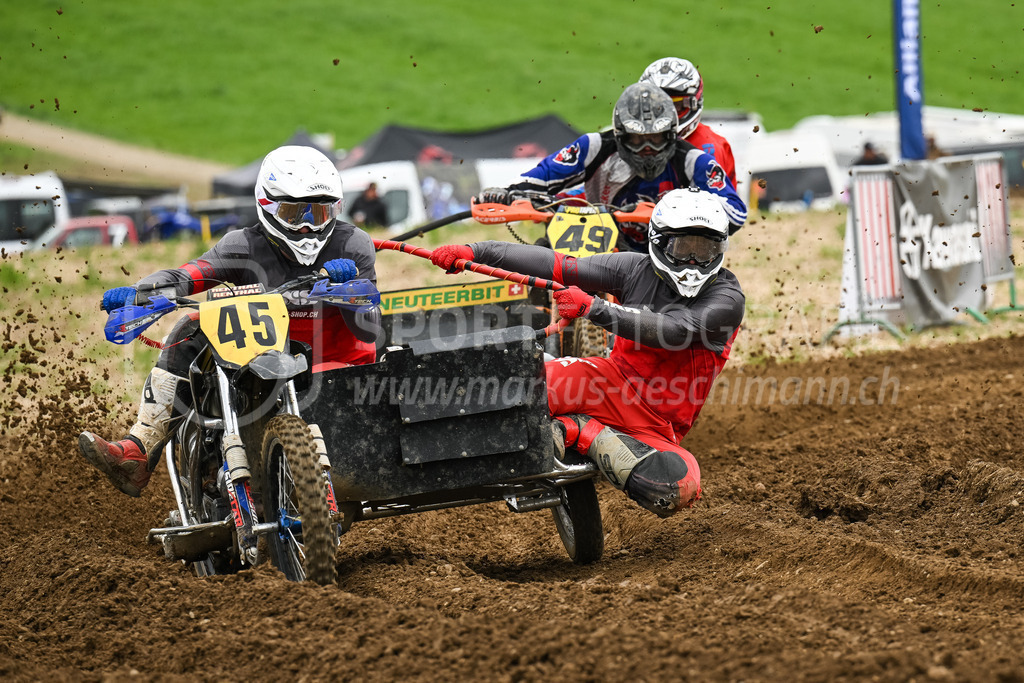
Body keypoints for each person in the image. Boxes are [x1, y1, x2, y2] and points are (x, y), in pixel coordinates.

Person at [79, 145, 382, 497]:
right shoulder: (243, 245)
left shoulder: (352, 244)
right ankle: (140, 448)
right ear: (267, 206)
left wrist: (348, 291)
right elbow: (190, 274)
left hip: (339, 374)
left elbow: (371, 328)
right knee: (191, 325)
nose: (307, 226)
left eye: (319, 212)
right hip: (262, 369)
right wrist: (141, 292)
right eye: (294, 212)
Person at [429, 187, 744, 518]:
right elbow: (559, 265)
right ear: (660, 242)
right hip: (602, 385)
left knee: (676, 487)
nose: (693, 261)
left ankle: (577, 430)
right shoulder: (632, 268)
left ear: (720, 248)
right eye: (684, 248)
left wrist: (596, 308)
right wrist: (475, 251)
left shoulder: (727, 298)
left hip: (659, 428)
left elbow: (675, 330)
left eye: (704, 249)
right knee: (498, 392)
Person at [478, 82, 747, 251]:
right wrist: (508, 194)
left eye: (655, 138)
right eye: (637, 139)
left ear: (671, 134)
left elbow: (735, 213)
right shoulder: (594, 146)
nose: (647, 149)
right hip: (598, 240)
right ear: (620, 135)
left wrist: (685, 209)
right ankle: (538, 328)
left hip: (667, 254)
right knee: (540, 258)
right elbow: (543, 176)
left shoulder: (694, 161)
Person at [639, 56, 738, 187]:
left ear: (693, 104)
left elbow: (714, 204)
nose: (666, 116)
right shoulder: (629, 141)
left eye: (676, 106)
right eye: (657, 106)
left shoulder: (709, 149)